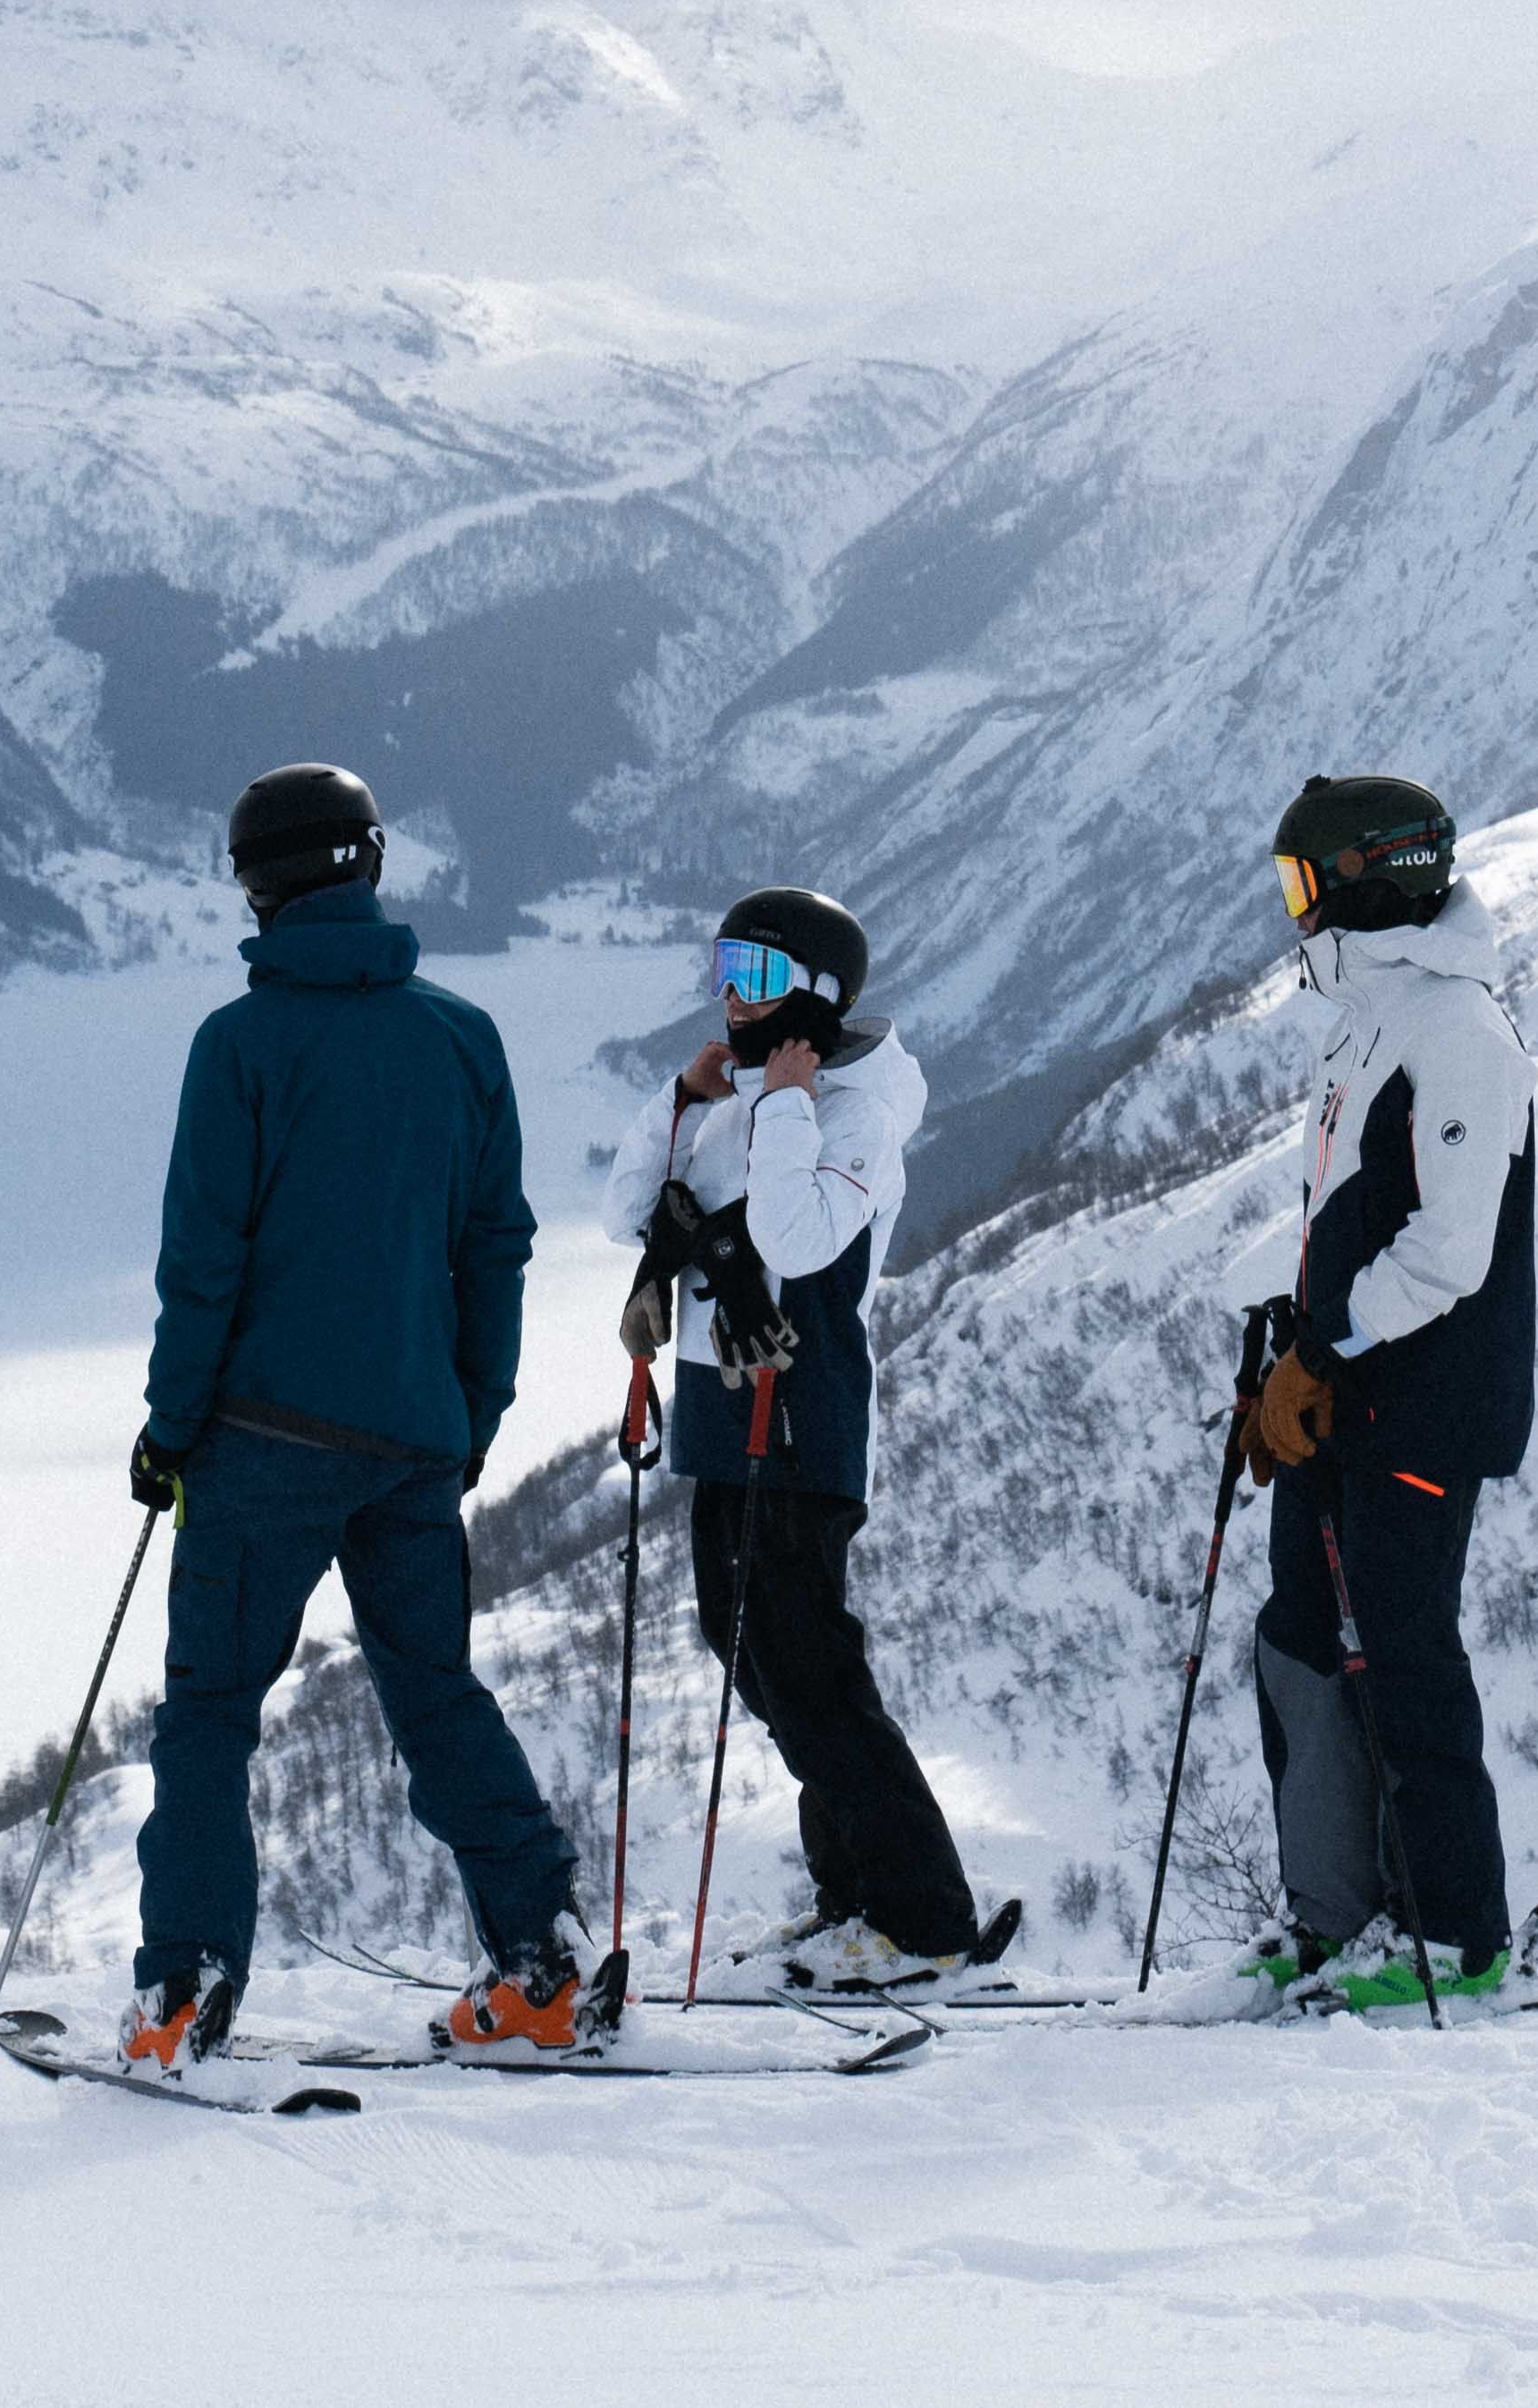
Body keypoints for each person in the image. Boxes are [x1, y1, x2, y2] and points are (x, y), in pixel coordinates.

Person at [122, 762, 584, 2066]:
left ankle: (187, 1987)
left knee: (211, 1712)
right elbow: (496, 1246)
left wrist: (169, 1428)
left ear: (258, 887)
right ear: (370, 863)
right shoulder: (462, 1034)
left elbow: (204, 1263)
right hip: (416, 1439)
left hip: (260, 1438)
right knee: (435, 1694)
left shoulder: (240, 1044)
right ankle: (541, 1963)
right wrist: (471, 1408)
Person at [600, 887, 996, 1993]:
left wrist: (780, 1107)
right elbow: (628, 1209)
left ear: (817, 997)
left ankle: (922, 1917)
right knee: (761, 1665)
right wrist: (682, 1101)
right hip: (725, 1418)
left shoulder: (855, 1114)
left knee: (812, 1671)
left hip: (802, 1416)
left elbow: (795, 1237)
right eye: (727, 965)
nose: (733, 993)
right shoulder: (742, 1095)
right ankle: (855, 1900)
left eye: (760, 976)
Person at [1203, 774, 1538, 2015]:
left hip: (1423, 1403)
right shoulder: (1365, 1020)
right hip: (1345, 1393)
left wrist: (1323, 1349)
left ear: (1366, 877)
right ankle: (1335, 1913)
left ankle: (1458, 1935)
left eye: (1303, 883)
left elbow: (1453, 1249)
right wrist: (1287, 1338)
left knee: (1403, 1652)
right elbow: (1345, 1216)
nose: (1291, 911)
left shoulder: (1458, 1031)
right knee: (1302, 1635)